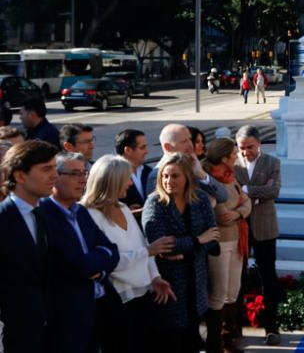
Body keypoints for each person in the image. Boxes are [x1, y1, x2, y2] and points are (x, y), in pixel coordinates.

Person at [84, 155, 176, 353]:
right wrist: (148, 251)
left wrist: (155, 277)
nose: (129, 183)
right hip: (116, 300)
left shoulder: (123, 207)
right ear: (112, 181)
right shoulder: (90, 215)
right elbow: (109, 262)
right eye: (126, 178)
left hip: (143, 294)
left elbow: (142, 245)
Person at [38, 151, 121, 353]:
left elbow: (113, 250)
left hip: (97, 306)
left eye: (84, 173)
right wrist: (99, 258)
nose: (82, 180)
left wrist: (99, 268)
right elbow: (78, 265)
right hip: (68, 316)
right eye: (74, 174)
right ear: (54, 177)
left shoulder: (80, 211)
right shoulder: (43, 214)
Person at [142, 153, 221, 353]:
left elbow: (212, 239)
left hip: (196, 278)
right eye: (165, 176)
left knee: (193, 336)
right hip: (169, 282)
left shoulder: (200, 198)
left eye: (175, 176)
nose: (169, 181)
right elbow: (159, 243)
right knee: (171, 337)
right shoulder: (155, 203)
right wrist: (196, 240)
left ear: (187, 177)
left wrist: (186, 250)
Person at [0, 140, 59, 352]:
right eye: (46, 169)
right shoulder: (3, 220)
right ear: (20, 176)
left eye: (54, 168)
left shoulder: (46, 214)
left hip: (49, 331)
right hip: (16, 336)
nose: (55, 175)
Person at [234, 125, 282, 346]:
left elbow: (274, 191)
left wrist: (246, 191)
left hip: (265, 228)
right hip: (239, 228)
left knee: (268, 277)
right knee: (237, 278)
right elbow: (232, 193)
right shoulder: (232, 164)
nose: (245, 152)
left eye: (249, 147)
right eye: (241, 148)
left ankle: (271, 327)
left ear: (259, 144)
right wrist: (257, 192)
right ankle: (235, 327)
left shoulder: (272, 162)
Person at [202, 138, 251, 353]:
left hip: (237, 239)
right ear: (223, 158)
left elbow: (247, 202)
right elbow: (222, 216)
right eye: (233, 154)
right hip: (220, 242)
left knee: (233, 291)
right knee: (219, 293)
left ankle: (229, 338)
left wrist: (239, 209)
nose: (237, 157)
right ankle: (216, 342)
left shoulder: (231, 178)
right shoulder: (211, 181)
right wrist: (240, 205)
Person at [147, 124, 229, 204]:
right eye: (184, 141)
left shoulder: (193, 165)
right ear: (167, 147)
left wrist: (202, 175)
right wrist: (208, 200)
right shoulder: (158, 175)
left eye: (190, 139)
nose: (190, 145)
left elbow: (223, 197)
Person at [116, 129, 152, 213]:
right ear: (128, 150)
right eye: (142, 148)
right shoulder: (113, 175)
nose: (147, 151)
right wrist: (127, 212)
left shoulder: (148, 171)